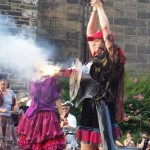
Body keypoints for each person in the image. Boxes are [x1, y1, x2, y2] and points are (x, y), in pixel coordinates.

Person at [75, 0, 126, 150]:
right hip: (88, 107)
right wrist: (94, 11)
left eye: (98, 40)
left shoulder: (112, 57)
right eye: (94, 41)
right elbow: (89, 33)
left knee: (105, 146)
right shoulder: (94, 58)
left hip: (102, 107)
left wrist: (100, 6)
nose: (94, 42)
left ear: (104, 42)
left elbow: (104, 28)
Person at [16, 65, 66, 150]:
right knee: (31, 144)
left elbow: (56, 99)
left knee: (48, 145)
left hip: (47, 116)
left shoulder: (51, 80)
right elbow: (32, 98)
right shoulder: (32, 80)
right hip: (32, 116)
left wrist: (62, 115)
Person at [0, 74, 17, 149]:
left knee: (8, 142)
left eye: (4, 80)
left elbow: (15, 104)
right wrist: (1, 109)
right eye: (1, 81)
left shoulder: (11, 93)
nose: (2, 82)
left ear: (7, 83)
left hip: (8, 119)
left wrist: (15, 108)